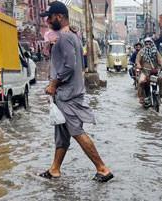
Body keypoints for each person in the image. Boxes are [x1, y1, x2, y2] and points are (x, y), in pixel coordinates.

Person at [38, 2, 113, 181]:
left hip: (67, 95)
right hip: (67, 93)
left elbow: (69, 66)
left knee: (77, 132)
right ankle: (54, 169)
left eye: (50, 17)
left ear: (59, 17)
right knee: (62, 134)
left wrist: (54, 83)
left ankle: (102, 168)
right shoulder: (72, 36)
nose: (47, 21)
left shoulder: (65, 38)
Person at [135, 37, 162, 106]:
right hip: (144, 72)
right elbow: (137, 60)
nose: (148, 44)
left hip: (154, 72)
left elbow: (160, 60)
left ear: (151, 43)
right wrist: (139, 65)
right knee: (140, 82)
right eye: (146, 43)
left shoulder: (156, 51)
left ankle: (160, 95)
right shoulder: (141, 51)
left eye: (149, 42)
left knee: (160, 80)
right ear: (145, 44)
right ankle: (141, 98)